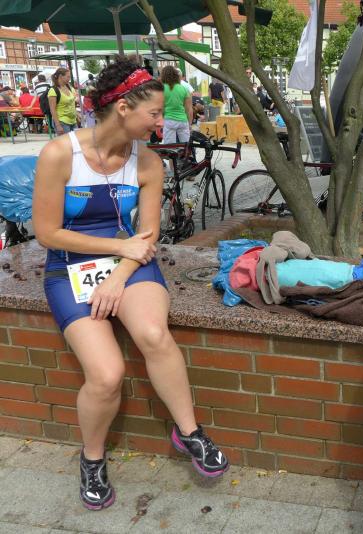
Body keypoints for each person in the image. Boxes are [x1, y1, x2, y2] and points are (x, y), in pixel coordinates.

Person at [31, 56, 229, 511]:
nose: (161, 123)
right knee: (106, 375)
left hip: (131, 262)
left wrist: (118, 275)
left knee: (154, 334)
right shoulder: (60, 154)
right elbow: (47, 233)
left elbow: (148, 234)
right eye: (154, 113)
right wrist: (117, 250)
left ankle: (189, 432)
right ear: (123, 108)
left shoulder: (149, 162)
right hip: (70, 267)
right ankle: (92, 459)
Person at [159, 65, 192, 144]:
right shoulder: (183, 88)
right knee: (186, 146)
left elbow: (161, 108)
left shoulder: (162, 89)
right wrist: (189, 123)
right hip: (183, 120)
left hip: (169, 120)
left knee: (170, 147)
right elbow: (188, 109)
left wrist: (161, 120)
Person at [48, 67, 79, 135]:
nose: (69, 79)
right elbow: (52, 110)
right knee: (66, 141)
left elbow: (73, 101)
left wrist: (76, 113)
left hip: (73, 121)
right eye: (68, 77)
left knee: (75, 141)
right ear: (61, 76)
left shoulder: (70, 87)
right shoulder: (53, 90)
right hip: (62, 122)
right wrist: (58, 125)